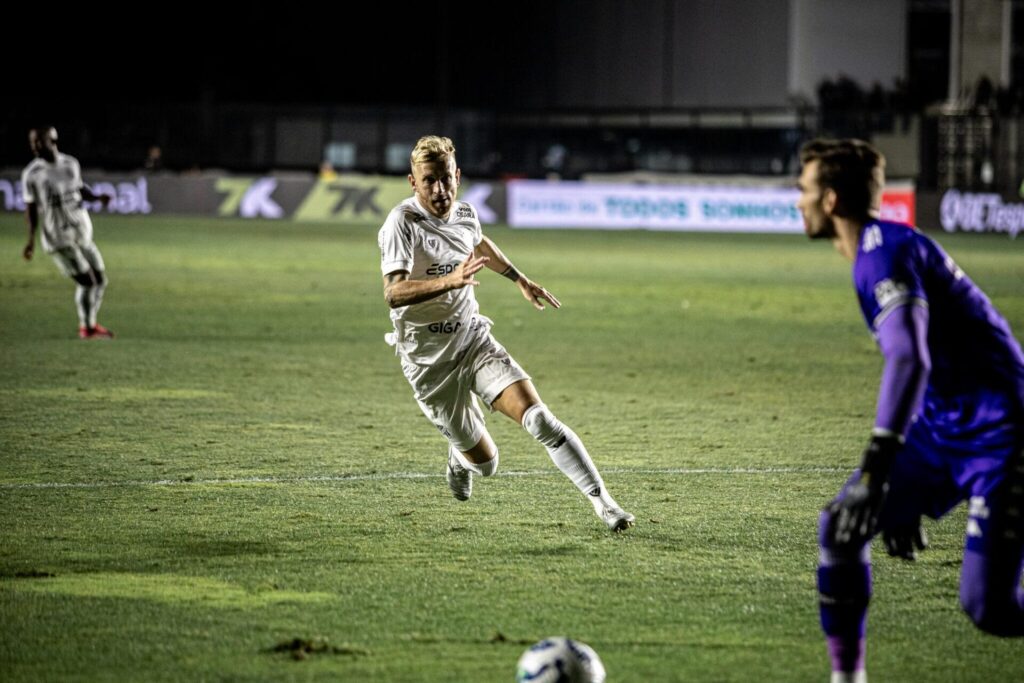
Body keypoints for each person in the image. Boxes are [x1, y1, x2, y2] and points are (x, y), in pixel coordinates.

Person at [796, 138, 1024, 682]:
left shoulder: (883, 254)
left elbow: (910, 357)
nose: (797, 201)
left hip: (1005, 431)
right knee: (842, 529)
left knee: (988, 606)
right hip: (947, 424)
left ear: (830, 201)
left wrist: (878, 472)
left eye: (803, 190)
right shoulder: (880, 248)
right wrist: (905, 487)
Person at [378, 135, 635, 532]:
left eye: (446, 178)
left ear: (457, 176)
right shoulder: (403, 223)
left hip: (472, 341)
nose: (439, 189)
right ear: (413, 182)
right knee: (488, 465)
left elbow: (479, 242)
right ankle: (458, 456)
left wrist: (519, 278)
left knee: (540, 421)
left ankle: (606, 505)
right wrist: (450, 280)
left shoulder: (464, 213)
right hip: (428, 361)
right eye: (428, 180)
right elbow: (393, 293)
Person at [21, 127, 114, 339]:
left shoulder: (71, 164)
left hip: (81, 232)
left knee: (100, 280)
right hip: (58, 238)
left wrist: (98, 198)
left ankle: (90, 325)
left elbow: (80, 189)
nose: (34, 146)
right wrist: (30, 240)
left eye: (39, 141)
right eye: (32, 142)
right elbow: (31, 209)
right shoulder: (32, 173)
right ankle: (86, 329)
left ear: (52, 139)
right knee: (87, 281)